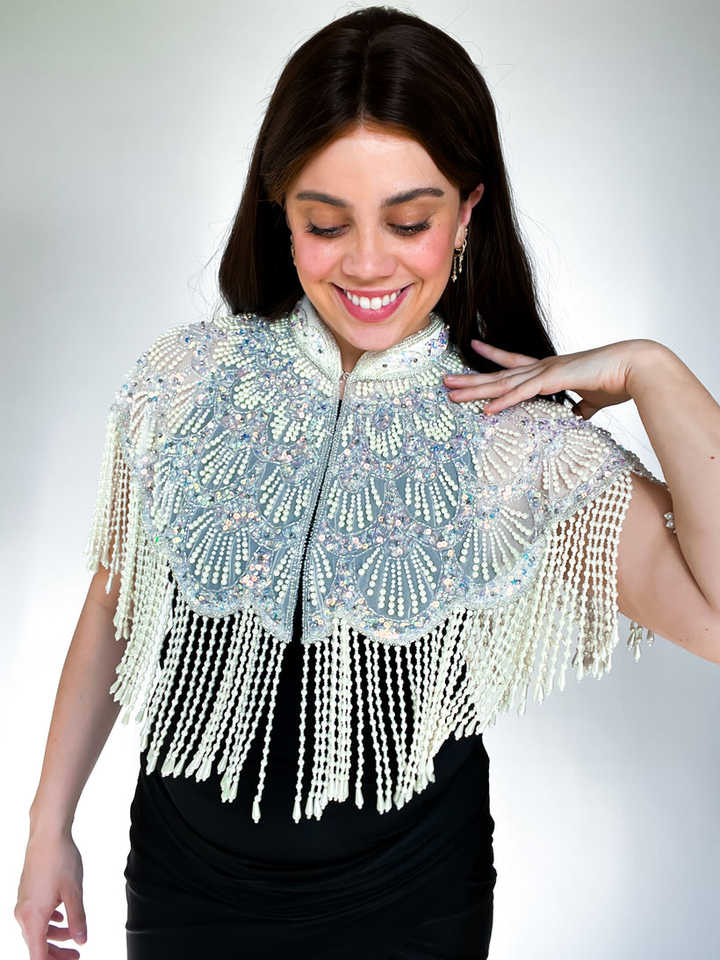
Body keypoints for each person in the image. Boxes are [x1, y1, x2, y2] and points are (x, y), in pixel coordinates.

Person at [15, 6, 720, 960]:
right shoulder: (184, 382)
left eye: (409, 220)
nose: (367, 263)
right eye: (325, 222)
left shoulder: (519, 444)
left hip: (411, 898)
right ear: (280, 210)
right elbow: (118, 598)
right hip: (182, 881)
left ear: (467, 212)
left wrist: (653, 371)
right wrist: (48, 823)